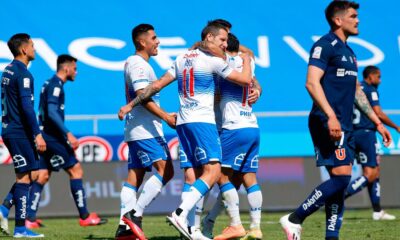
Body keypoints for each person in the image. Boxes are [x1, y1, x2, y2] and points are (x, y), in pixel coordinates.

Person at [118, 22, 252, 239]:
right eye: (222, 40)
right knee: (214, 171)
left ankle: (190, 229)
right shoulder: (213, 61)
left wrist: (130, 105)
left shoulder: (182, 58)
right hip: (202, 122)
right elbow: (245, 80)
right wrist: (246, 60)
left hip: (183, 122)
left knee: (193, 176)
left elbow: (157, 85)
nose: (225, 45)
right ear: (209, 38)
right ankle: (181, 214)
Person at [279, 2, 392, 240]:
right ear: (338, 20)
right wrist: (331, 116)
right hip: (327, 121)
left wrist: (377, 121)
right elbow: (311, 83)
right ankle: (293, 219)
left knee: (339, 182)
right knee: (342, 178)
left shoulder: (350, 53)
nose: (358, 20)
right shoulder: (324, 45)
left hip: (345, 125)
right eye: (353, 16)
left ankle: (332, 237)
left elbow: (357, 92)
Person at [12, 54, 106, 229]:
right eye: (75, 69)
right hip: (53, 137)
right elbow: (52, 112)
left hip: (43, 136)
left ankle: (29, 219)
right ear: (66, 68)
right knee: (76, 170)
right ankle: (85, 216)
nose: (76, 72)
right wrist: (68, 134)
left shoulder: (49, 83)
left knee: (42, 175)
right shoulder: (56, 85)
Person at [115, 23, 176, 240]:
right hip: (145, 129)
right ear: (142, 42)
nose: (157, 41)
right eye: (154, 37)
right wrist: (166, 116)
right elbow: (143, 96)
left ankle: (124, 230)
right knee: (166, 170)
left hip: (138, 128)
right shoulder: (138, 64)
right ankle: (135, 216)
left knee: (135, 177)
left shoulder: (137, 63)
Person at [201, 33, 263, 240]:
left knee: (220, 176)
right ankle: (255, 227)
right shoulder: (249, 62)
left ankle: (235, 224)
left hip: (232, 127)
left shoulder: (225, 64)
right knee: (249, 179)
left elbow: (216, 93)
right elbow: (250, 56)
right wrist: (258, 89)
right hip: (252, 126)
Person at [0, 33, 46, 238]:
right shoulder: (24, 75)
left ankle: (3, 211)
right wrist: (37, 134)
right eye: (32, 45)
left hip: (10, 129)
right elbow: (27, 108)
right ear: (23, 50)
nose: (35, 49)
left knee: (31, 174)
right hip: (20, 132)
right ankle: (20, 229)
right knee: (25, 177)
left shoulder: (8, 70)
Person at [345, 66, 398, 220]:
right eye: (378, 77)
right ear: (370, 76)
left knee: (373, 172)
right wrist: (396, 127)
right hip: (367, 134)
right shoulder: (370, 89)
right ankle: (341, 195)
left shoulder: (355, 88)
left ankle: (377, 211)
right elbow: (378, 112)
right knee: (371, 173)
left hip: (353, 133)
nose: (380, 80)